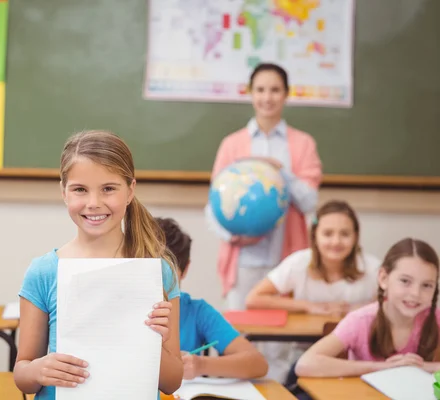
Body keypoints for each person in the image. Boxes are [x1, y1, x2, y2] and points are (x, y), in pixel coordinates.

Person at [13, 131, 183, 400]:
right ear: (64, 193)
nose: (93, 203)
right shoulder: (44, 271)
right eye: (80, 189)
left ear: (130, 191)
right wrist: (37, 370)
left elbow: (172, 383)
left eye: (108, 188)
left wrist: (155, 344)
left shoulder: (157, 272)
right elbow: (23, 376)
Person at [205, 63, 323, 310]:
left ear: (286, 94)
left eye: (274, 90)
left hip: (286, 257)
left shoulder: (303, 144)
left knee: (282, 342)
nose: (267, 97)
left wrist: (281, 173)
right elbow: (214, 204)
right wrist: (232, 237)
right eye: (260, 90)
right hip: (242, 259)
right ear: (250, 93)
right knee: (241, 333)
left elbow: (310, 202)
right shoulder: (232, 144)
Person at [245, 200, 380, 382]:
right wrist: (309, 306)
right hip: (306, 356)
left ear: (356, 236)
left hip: (357, 359)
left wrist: (364, 308)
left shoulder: (372, 268)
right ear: (314, 235)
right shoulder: (299, 263)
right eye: (328, 233)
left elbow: (394, 305)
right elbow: (254, 299)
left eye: (345, 234)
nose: (336, 241)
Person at [296, 238, 440, 378]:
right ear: (383, 278)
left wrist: (422, 368)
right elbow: (305, 364)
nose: (415, 293)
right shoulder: (360, 320)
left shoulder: (436, 318)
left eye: (427, 285)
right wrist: (384, 367)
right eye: (405, 281)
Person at [155, 217, 268, 380]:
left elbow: (258, 364)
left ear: (185, 269)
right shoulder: (119, 306)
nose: (159, 287)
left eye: (167, 277)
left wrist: (201, 365)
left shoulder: (197, 311)